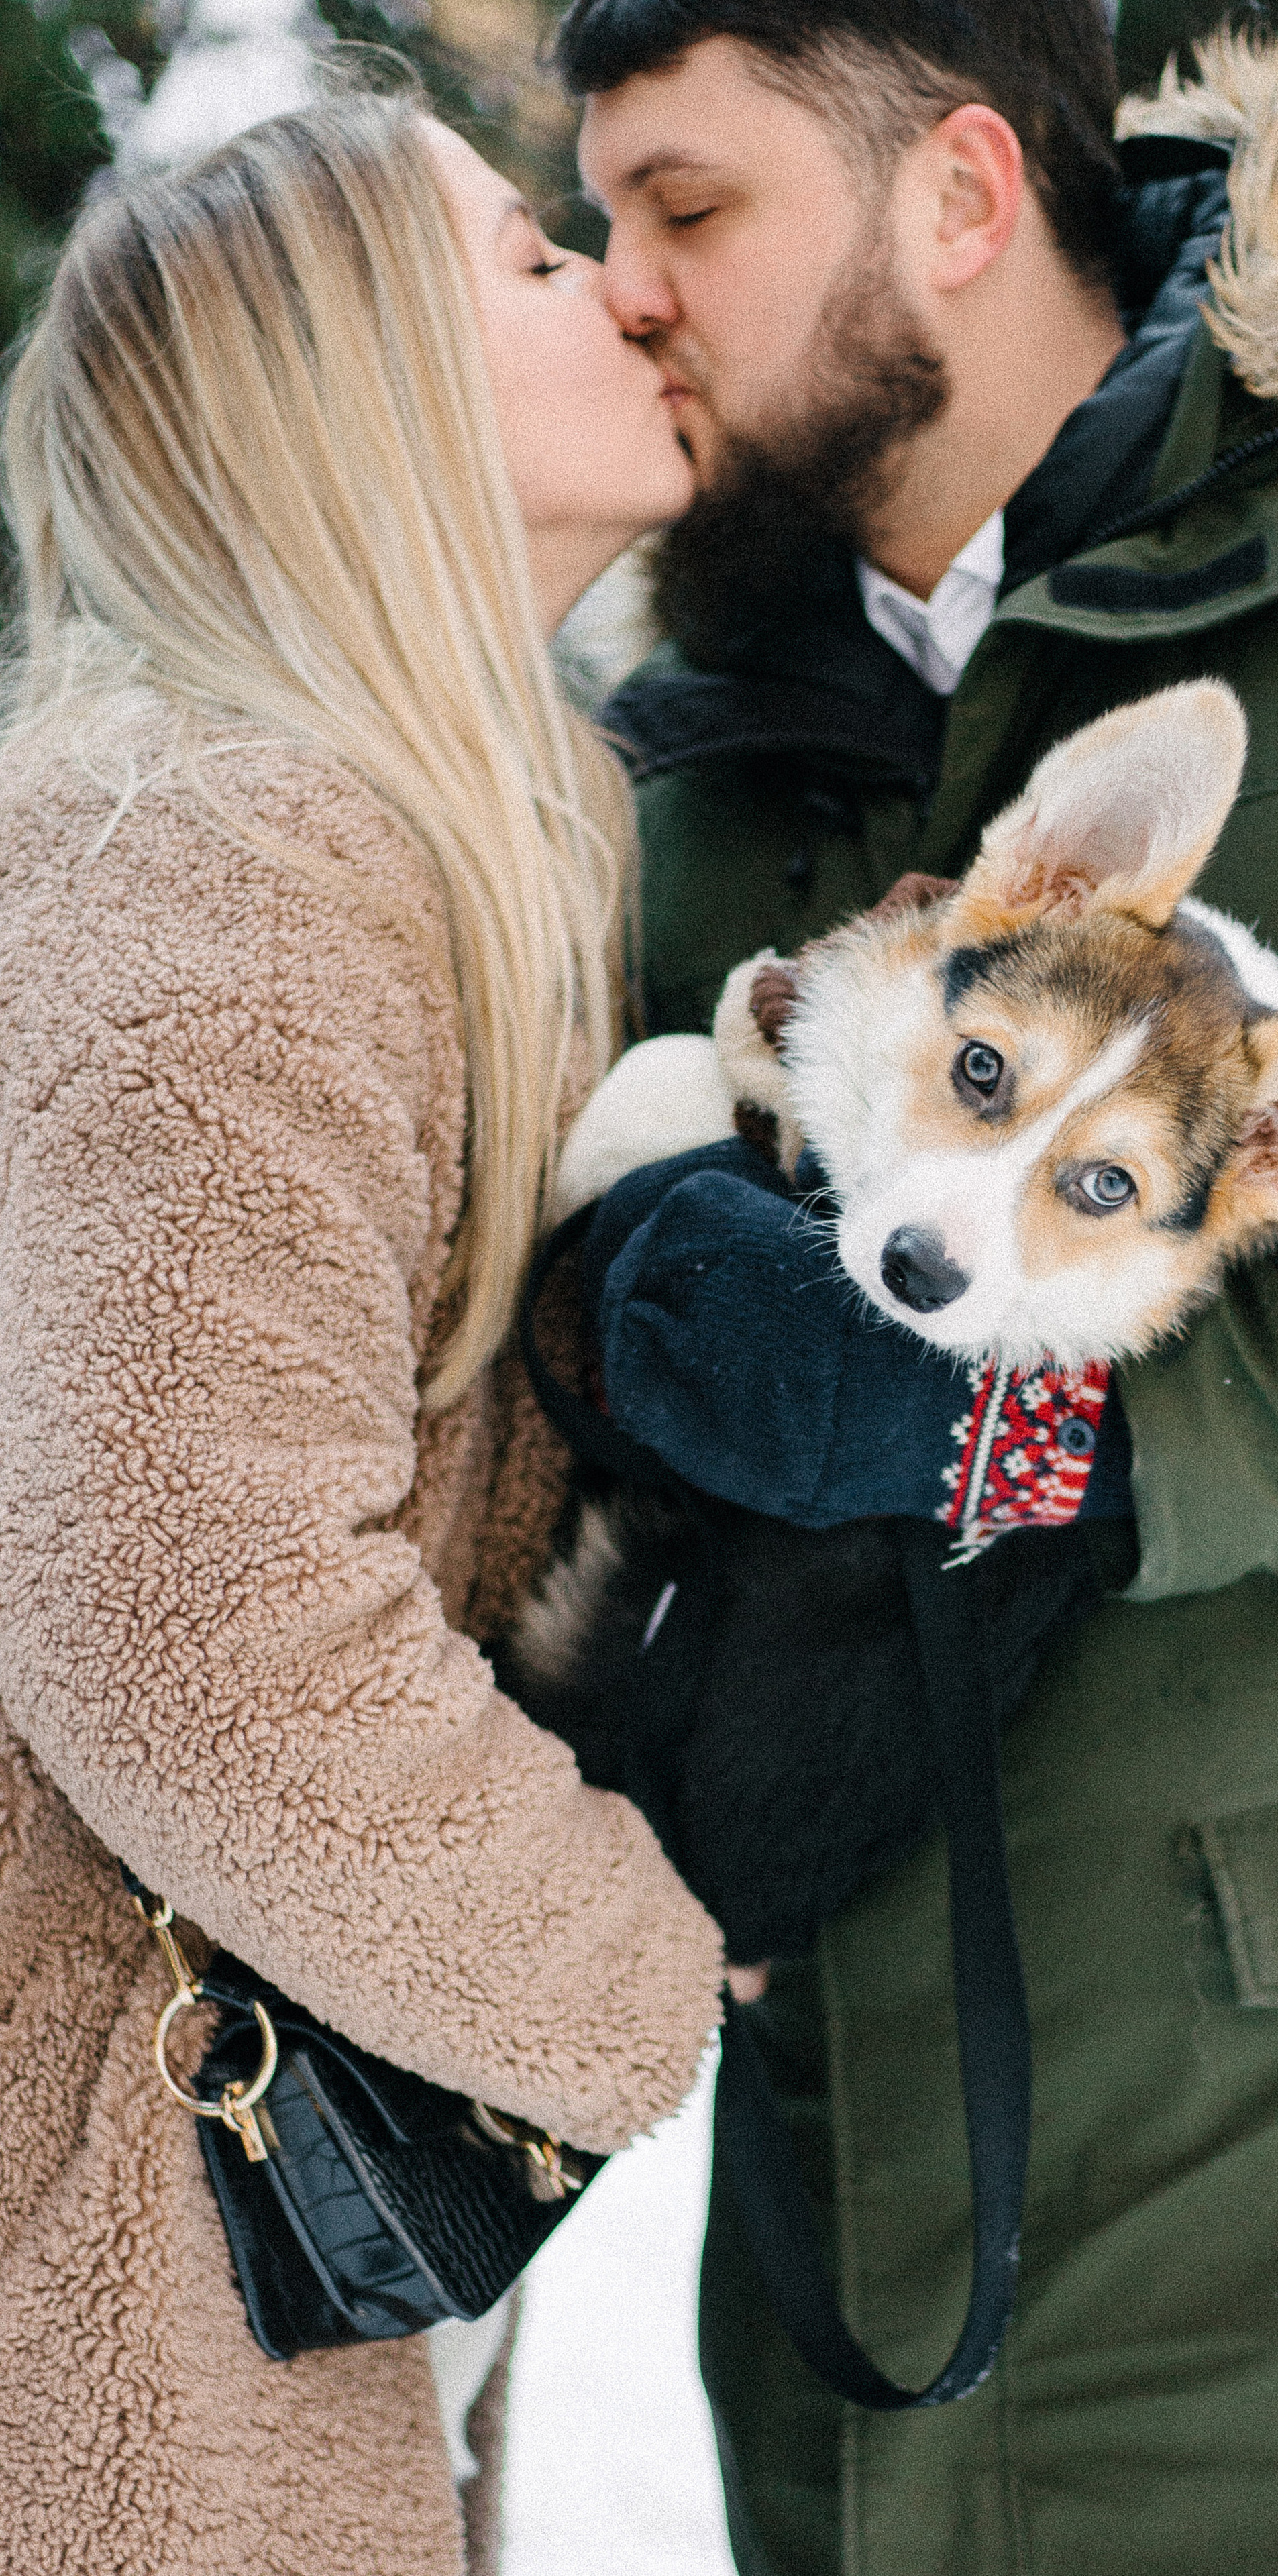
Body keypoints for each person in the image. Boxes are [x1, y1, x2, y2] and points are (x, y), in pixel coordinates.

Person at [558, 6, 1278, 2571]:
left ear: (962, 195)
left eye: (689, 208)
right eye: (600, 212)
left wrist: (1088, 1428)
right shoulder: (696, 754)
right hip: (874, 2308)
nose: (616, 285)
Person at [0, 80, 735, 2576]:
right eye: (534, 264)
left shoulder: (333, 839)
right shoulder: (233, 860)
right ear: (365, 401)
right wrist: (629, 1960)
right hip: (90, 2261)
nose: (626, 283)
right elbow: (185, 1616)